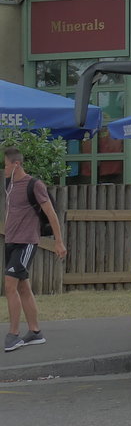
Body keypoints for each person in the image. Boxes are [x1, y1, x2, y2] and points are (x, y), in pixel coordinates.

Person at [3, 146, 67, 352]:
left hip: (26, 242)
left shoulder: (34, 184)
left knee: (10, 286)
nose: (3, 169)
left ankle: (13, 335)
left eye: (5, 165)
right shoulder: (9, 184)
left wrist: (59, 242)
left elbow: (51, 213)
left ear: (16, 164)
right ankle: (35, 332)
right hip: (11, 241)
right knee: (23, 287)